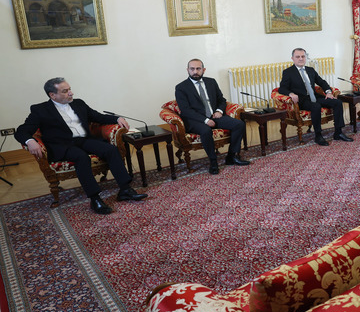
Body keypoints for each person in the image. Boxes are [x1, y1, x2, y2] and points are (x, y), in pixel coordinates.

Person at [15, 78, 148, 215]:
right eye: (65, 91)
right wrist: (30, 141)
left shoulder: (79, 103)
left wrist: (117, 118)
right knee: (81, 157)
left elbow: (98, 117)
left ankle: (125, 190)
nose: (71, 93)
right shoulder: (40, 110)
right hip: (62, 145)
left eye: (70, 89)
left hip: (84, 140)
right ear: (52, 95)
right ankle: (95, 199)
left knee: (111, 150)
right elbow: (21, 131)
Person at [175, 58, 250, 175]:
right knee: (205, 130)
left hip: (214, 116)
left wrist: (219, 111)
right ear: (187, 70)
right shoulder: (181, 87)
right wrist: (205, 120)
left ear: (203, 70)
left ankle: (232, 156)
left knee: (239, 124)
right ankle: (213, 161)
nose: (195, 71)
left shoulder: (211, 82)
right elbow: (185, 110)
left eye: (198, 69)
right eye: (192, 69)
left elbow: (221, 100)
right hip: (196, 120)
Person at [279, 48, 353, 146]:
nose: (301, 59)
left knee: (337, 102)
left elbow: (321, 82)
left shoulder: (310, 70)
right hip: (302, 100)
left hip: (315, 96)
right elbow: (282, 88)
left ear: (306, 57)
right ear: (292, 58)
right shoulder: (288, 72)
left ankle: (338, 132)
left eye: (303, 56)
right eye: (298, 57)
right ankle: (318, 135)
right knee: (316, 106)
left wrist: (328, 92)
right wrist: (291, 94)